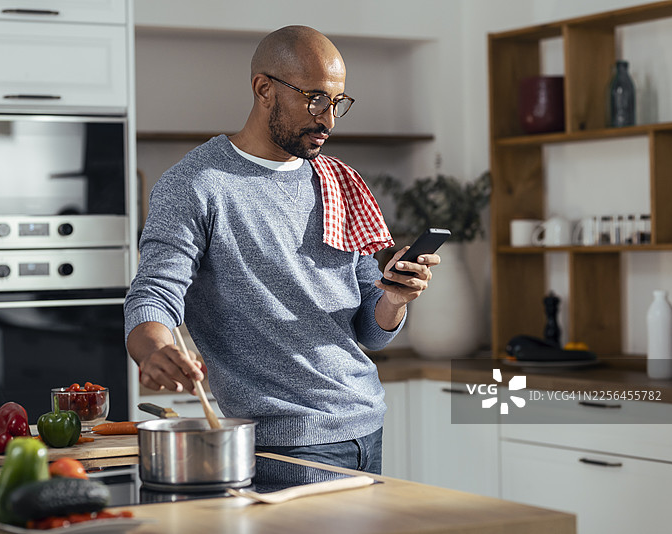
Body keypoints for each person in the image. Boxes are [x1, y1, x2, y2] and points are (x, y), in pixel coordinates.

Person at [124, 25, 440, 474]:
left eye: (337, 103)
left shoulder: (339, 183)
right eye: (315, 99)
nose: (328, 120)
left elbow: (370, 332)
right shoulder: (197, 184)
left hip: (366, 426)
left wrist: (394, 298)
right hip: (284, 444)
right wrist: (154, 349)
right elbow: (153, 293)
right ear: (263, 89)